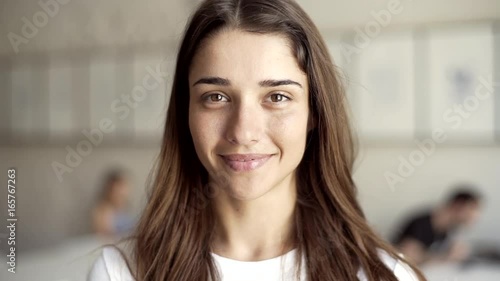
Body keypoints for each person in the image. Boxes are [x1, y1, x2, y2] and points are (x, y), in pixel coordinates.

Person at [88, 0, 426, 280]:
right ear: (185, 113)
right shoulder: (121, 272)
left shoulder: (383, 274)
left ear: (315, 114)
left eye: (277, 97)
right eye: (216, 97)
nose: (243, 132)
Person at [392, 187, 482, 265]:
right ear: (457, 206)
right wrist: (445, 257)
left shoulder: (447, 230)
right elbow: (407, 256)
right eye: (472, 209)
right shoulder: (422, 223)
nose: (475, 215)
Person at [91, 169, 136, 239]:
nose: (123, 193)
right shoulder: (104, 210)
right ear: (110, 190)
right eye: (119, 189)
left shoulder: (124, 208)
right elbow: (104, 236)